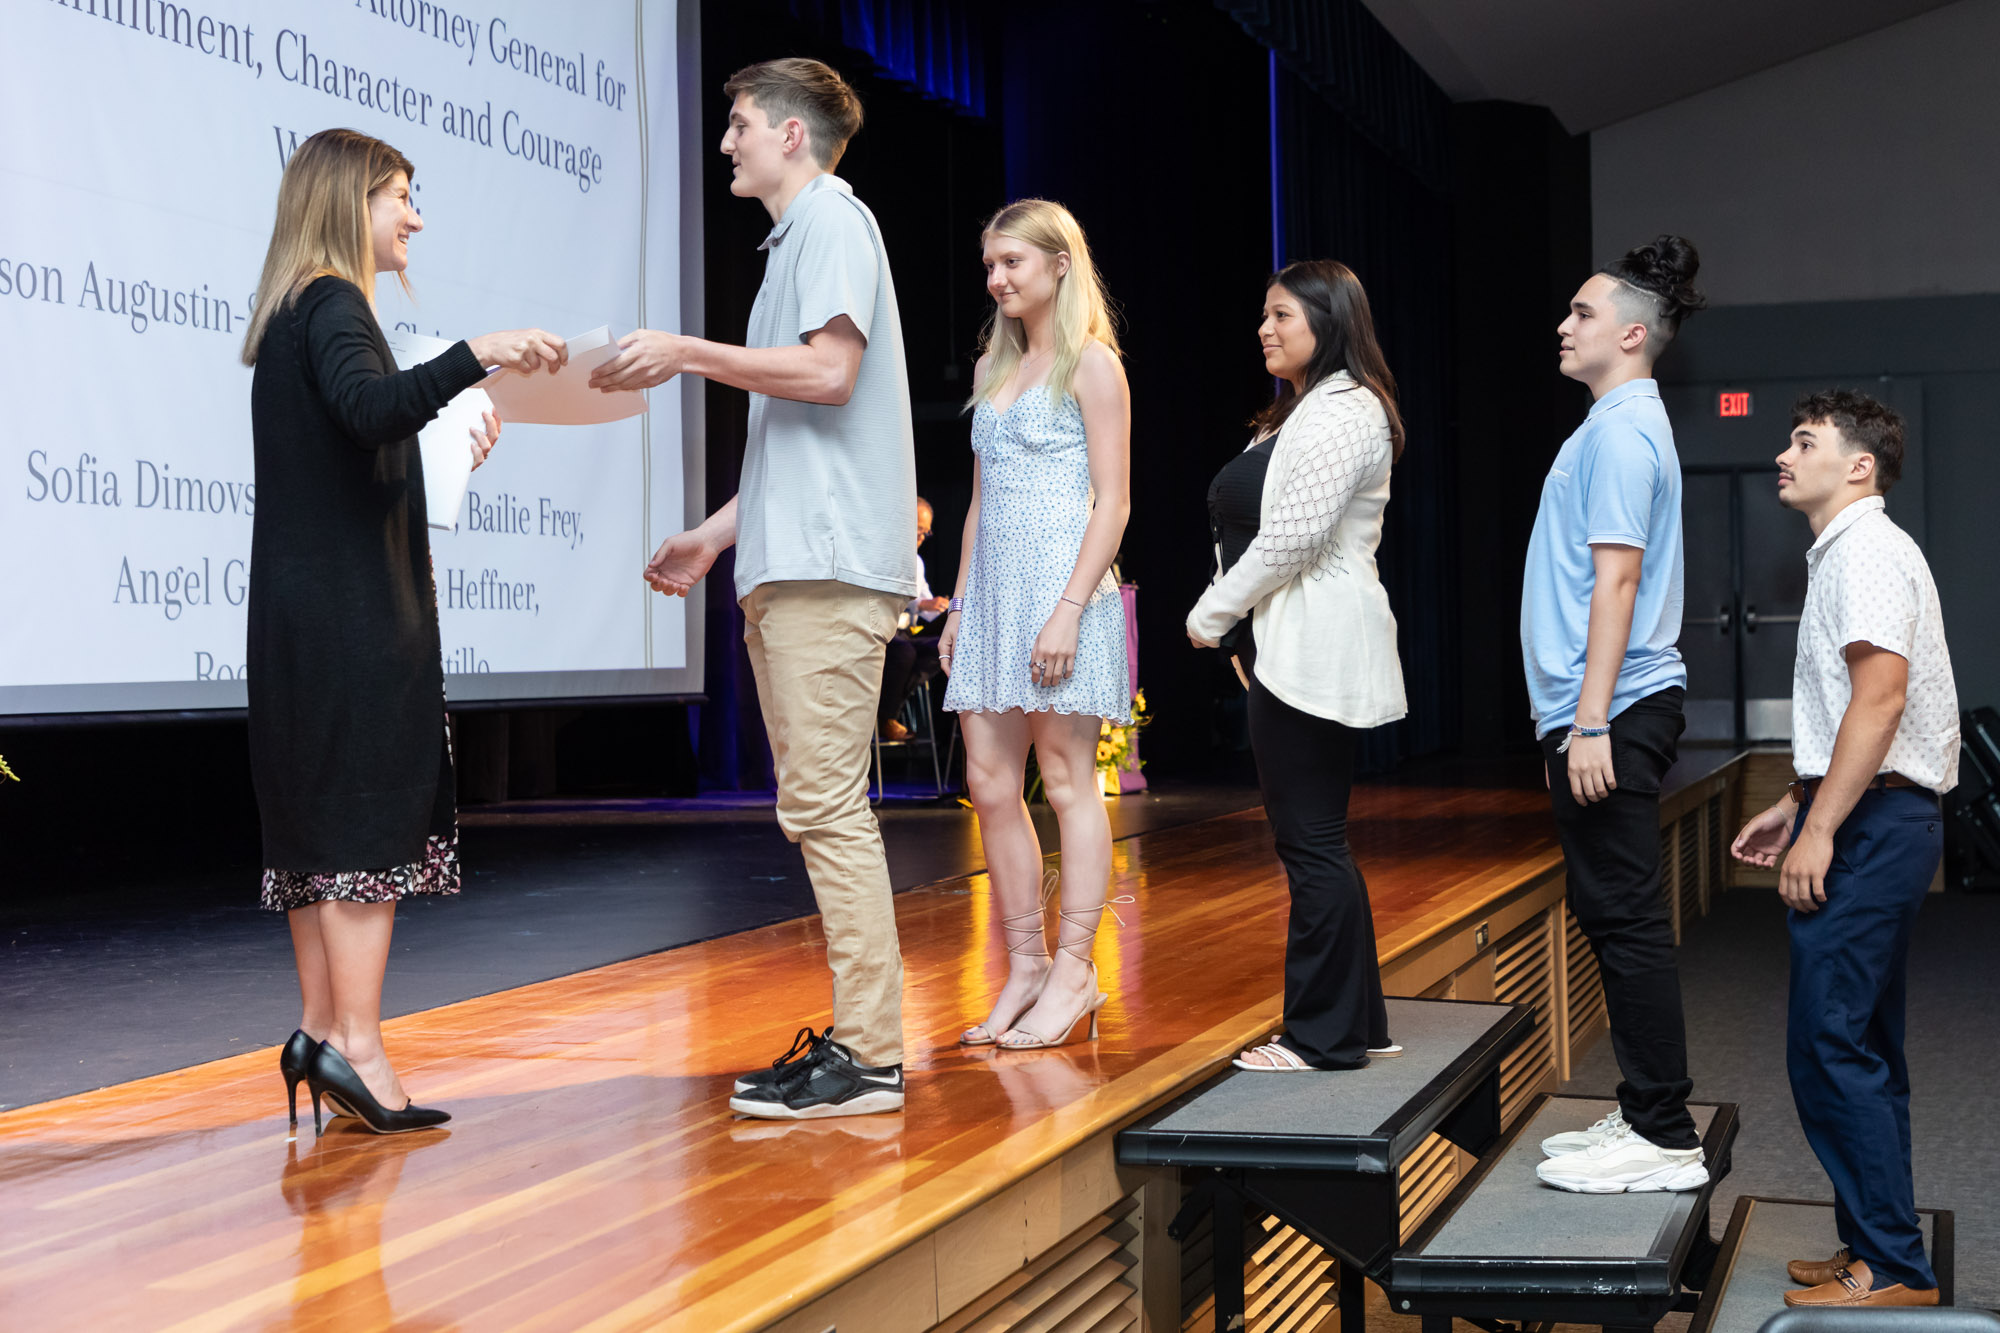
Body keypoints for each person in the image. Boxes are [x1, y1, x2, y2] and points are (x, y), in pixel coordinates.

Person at [590, 59, 919, 1119]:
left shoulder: (830, 219)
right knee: (815, 807)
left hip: (827, 572)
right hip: (794, 563)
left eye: (735, 125)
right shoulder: (798, 240)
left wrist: (687, 352)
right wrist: (712, 537)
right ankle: (861, 1043)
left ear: (788, 132)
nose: (724, 142)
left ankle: (869, 1056)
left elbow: (829, 374)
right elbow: (801, 436)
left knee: (826, 807)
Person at [241, 127, 565, 1135]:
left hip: (301, 616)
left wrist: (450, 442)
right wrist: (479, 355)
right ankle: (361, 1051)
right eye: (401, 197)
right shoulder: (336, 303)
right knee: (362, 830)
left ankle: (319, 1033)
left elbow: (355, 444)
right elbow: (370, 408)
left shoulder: (294, 313)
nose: (415, 217)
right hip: (351, 619)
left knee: (316, 835)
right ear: (351, 201)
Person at [1731, 391, 1954, 1310]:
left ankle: (1893, 1265)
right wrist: (1798, 798)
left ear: (1857, 465)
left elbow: (1881, 702)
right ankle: (1876, 1241)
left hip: (1874, 825)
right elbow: (1859, 716)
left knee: (1829, 1044)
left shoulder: (1863, 550)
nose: (1784, 454)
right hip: (1875, 812)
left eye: (1803, 441)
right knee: (1862, 1043)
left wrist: (1821, 826)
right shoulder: (1854, 550)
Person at [1186, 260, 1407, 1073]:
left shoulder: (1346, 411)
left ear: (1330, 320)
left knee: (1310, 841)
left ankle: (1322, 1037)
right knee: (1316, 840)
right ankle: (1361, 1023)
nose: (1265, 328)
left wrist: (1210, 618)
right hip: (1283, 644)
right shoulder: (1300, 412)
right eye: (1263, 315)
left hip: (1315, 643)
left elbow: (1291, 538)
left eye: (1282, 314)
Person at [1528, 236, 1707, 1192]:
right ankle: (1646, 1108)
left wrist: (1590, 718)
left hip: (1614, 706)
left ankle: (1666, 1136)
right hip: (1596, 706)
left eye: (1583, 313)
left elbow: (1620, 578)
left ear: (1632, 334)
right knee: (1609, 914)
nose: (1566, 324)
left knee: (1628, 920)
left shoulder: (1626, 430)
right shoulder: (1613, 424)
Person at [940, 198, 1131, 1051]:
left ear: (1060, 264)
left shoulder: (1093, 365)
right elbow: (979, 500)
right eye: (991, 265)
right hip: (993, 597)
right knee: (987, 780)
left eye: (1013, 261)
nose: (998, 278)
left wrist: (1068, 608)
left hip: (1062, 591)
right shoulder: (993, 362)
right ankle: (1022, 963)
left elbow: (1115, 502)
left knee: (1064, 778)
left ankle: (1075, 968)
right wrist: (960, 602)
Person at [878, 497, 949, 741]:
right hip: (882, 631)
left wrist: (941, 608)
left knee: (943, 647)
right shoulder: (882, 554)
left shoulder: (916, 562)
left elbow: (926, 602)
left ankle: (888, 708)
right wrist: (920, 604)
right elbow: (888, 595)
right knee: (905, 653)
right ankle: (886, 716)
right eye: (919, 529)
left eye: (926, 532)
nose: (921, 536)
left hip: (907, 634)